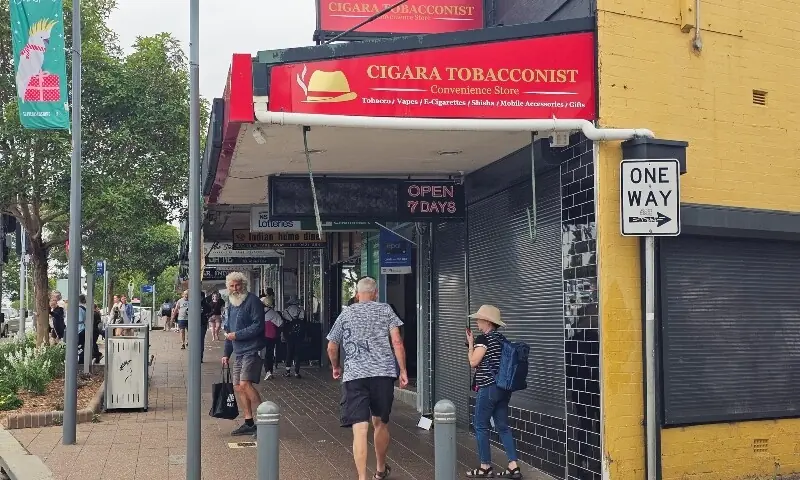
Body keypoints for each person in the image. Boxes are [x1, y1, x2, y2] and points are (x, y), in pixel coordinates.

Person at [326, 276, 409, 480]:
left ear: (357, 294)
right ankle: (380, 470)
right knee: (380, 423)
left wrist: (336, 366)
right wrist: (404, 371)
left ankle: (362, 478)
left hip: (354, 376)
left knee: (360, 428)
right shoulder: (386, 310)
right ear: (376, 294)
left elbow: (331, 345)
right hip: (383, 375)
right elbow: (397, 342)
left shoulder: (346, 314)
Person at [465, 305, 521, 479]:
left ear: (487, 322)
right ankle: (513, 466)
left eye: (479, 319)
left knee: (480, 425)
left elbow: (473, 362)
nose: (477, 321)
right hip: (504, 389)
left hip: (488, 388)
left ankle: (485, 466)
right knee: (503, 427)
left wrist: (471, 344)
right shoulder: (503, 340)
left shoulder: (484, 339)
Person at [221, 271, 265, 437]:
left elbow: (258, 326)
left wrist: (237, 335)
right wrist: (226, 353)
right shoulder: (231, 303)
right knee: (238, 386)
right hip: (238, 351)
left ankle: (264, 421)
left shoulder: (252, 301)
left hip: (252, 349)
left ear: (244, 285)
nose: (235, 288)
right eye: (231, 286)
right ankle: (249, 422)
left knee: (245, 383)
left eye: (237, 285)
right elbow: (228, 331)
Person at [281, 296, 306, 378]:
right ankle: (296, 372)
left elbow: (284, 321)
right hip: (299, 334)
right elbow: (303, 319)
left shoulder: (286, 311)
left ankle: (287, 371)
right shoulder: (301, 310)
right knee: (297, 352)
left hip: (289, 334)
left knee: (289, 352)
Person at [262, 296, 282, 380]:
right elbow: (281, 324)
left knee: (265, 354)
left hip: (261, 336)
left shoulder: (259, 312)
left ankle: (267, 371)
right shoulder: (273, 313)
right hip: (271, 336)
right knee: (270, 354)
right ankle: (269, 371)